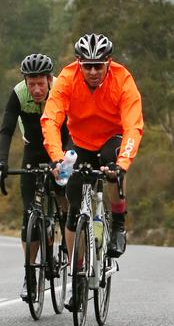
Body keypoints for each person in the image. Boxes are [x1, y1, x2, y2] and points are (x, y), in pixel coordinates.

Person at [41, 33, 143, 310]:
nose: (94, 71)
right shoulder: (66, 78)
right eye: (88, 65)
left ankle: (119, 225)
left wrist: (122, 163)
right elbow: (51, 118)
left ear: (109, 62)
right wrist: (58, 158)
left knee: (113, 170)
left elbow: (133, 125)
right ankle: (78, 273)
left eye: (99, 65)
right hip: (81, 143)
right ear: (78, 64)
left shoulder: (123, 80)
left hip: (113, 140)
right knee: (74, 208)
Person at [0, 53, 69, 301]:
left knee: (62, 193)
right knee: (28, 216)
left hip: (59, 143)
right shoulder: (18, 93)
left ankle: (68, 234)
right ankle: (30, 274)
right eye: (30, 83)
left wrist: (64, 161)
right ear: (25, 81)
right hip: (33, 148)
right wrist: (1, 161)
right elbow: (6, 130)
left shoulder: (61, 89)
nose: (35, 89)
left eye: (40, 83)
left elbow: (73, 127)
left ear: (49, 79)